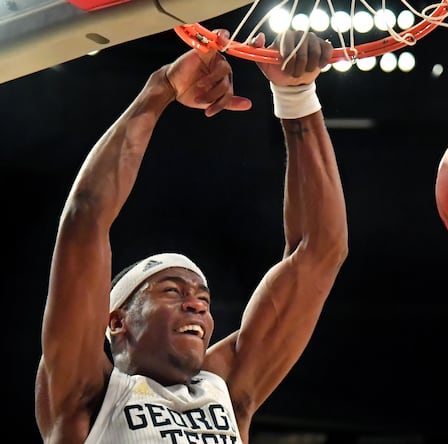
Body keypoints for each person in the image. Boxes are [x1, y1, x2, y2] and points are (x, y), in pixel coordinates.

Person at [34, 29, 348, 443]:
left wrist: (297, 96)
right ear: (117, 321)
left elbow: (319, 251)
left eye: (202, 298)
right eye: (172, 291)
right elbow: (85, 219)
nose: (197, 304)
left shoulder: (223, 391)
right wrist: (160, 88)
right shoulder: (85, 393)